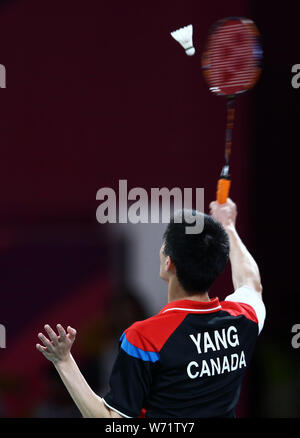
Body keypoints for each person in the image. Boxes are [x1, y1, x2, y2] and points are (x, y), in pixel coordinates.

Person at [36, 199, 266, 418]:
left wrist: (63, 361)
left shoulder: (143, 338)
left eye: (164, 244)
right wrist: (228, 227)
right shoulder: (243, 319)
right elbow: (251, 283)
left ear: (169, 263)